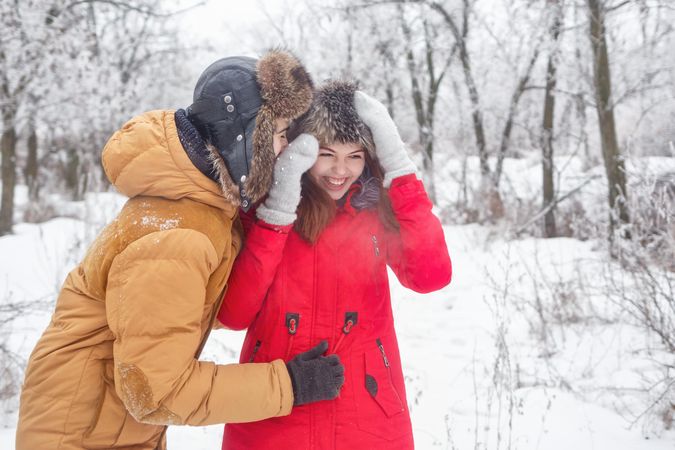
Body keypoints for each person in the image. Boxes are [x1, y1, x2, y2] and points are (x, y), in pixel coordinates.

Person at [15, 50, 344, 450]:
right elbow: (157, 392)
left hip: (103, 423)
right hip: (82, 434)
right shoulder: (179, 238)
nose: (281, 149)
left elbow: (187, 313)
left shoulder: (197, 206)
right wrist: (287, 384)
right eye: (275, 135)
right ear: (242, 139)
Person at [217, 80, 452, 450]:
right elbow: (234, 314)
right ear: (301, 150)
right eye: (326, 154)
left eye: (355, 156)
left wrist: (400, 168)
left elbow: (431, 276)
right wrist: (277, 212)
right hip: (272, 412)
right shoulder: (264, 212)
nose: (340, 171)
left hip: (368, 416)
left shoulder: (376, 210)